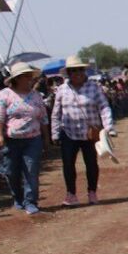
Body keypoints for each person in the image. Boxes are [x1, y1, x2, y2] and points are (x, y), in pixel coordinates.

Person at [51, 55, 114, 207]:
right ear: (68, 73)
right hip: (68, 132)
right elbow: (56, 113)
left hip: (90, 133)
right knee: (68, 164)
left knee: (91, 163)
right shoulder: (61, 90)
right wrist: (54, 132)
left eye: (80, 70)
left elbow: (104, 107)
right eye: (73, 71)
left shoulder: (94, 87)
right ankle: (71, 194)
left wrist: (109, 128)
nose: (77, 73)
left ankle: (92, 192)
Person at [0, 62, 49, 215]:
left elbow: (43, 118)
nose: (31, 79)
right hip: (11, 140)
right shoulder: (4, 94)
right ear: (17, 78)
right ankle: (18, 198)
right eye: (27, 76)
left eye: (31, 76)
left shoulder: (36, 96)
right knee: (11, 171)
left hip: (33, 139)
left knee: (31, 170)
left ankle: (30, 201)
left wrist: (46, 137)